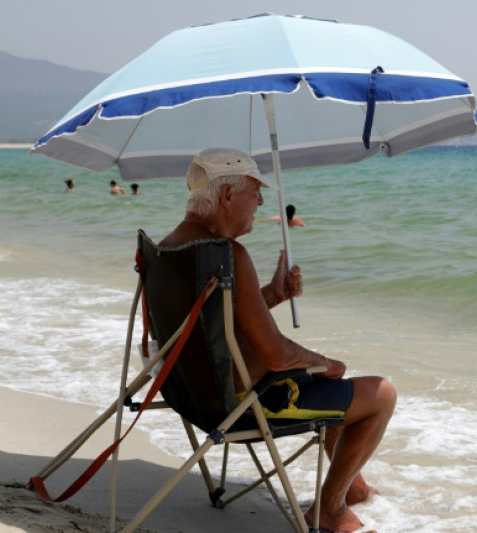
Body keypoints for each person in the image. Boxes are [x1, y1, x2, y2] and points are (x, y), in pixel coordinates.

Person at [158, 148, 395, 532]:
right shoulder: (229, 254)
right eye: (255, 191)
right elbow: (276, 353)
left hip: (191, 394)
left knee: (332, 385)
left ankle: (353, 487)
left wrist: (271, 294)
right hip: (243, 403)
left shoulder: (167, 250)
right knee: (380, 394)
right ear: (227, 197)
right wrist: (327, 363)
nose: (261, 201)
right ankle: (330, 509)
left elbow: (201, 325)